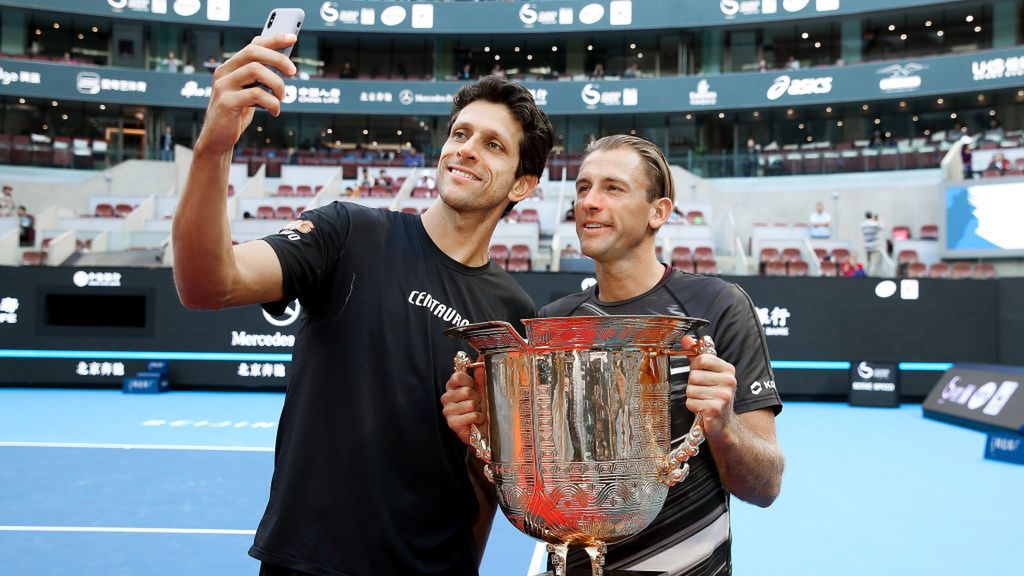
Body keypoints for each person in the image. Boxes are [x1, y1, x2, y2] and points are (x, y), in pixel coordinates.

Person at [172, 32, 554, 576]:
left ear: (522, 184)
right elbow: (209, 284)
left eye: (493, 144)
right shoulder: (349, 232)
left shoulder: (514, 313)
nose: (465, 148)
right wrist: (214, 147)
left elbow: (485, 474)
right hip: (308, 563)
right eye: (460, 133)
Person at [442, 135, 783, 576]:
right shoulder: (551, 322)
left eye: (613, 188)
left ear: (657, 212)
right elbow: (530, 475)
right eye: (583, 188)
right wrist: (486, 427)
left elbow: (766, 484)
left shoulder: (717, 308)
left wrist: (724, 428)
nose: (589, 202)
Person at [860, 211, 885, 277]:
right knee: (873, 264)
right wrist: (877, 220)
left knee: (869, 263)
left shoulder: (863, 224)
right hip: (874, 247)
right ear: (871, 216)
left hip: (867, 247)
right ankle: (870, 278)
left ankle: (867, 276)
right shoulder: (874, 224)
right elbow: (882, 227)